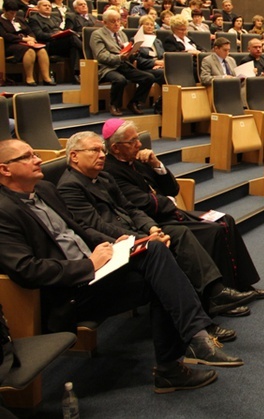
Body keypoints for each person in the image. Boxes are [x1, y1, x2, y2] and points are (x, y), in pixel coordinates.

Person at [0, 139, 242, 393]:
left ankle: (190, 345)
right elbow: (27, 269)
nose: (38, 159)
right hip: (69, 293)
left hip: (97, 269)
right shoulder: (4, 211)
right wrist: (88, 265)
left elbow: (79, 229)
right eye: (27, 157)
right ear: (5, 169)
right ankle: (189, 347)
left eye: (35, 153)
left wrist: (119, 243)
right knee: (161, 275)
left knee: (156, 252)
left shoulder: (45, 190)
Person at [58, 131, 259, 319]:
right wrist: (142, 238)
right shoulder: (70, 186)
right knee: (169, 248)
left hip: (139, 230)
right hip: (114, 245)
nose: (102, 155)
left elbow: (131, 208)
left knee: (180, 234)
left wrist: (152, 228)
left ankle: (215, 293)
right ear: (74, 156)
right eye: (95, 150)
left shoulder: (103, 177)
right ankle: (203, 315)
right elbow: (97, 226)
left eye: (102, 150)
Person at [102, 119, 264, 297]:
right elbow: (144, 203)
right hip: (157, 221)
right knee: (214, 230)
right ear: (115, 148)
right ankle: (222, 293)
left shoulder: (139, 159)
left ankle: (242, 284)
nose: (139, 144)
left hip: (171, 213)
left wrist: (156, 164)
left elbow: (173, 189)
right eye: (132, 141)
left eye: (137, 139)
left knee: (225, 219)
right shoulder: (111, 171)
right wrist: (170, 201)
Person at [89, 9, 155, 116]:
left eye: (118, 21)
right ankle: (114, 105)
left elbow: (126, 51)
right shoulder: (97, 34)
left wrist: (133, 52)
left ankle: (134, 102)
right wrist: (120, 57)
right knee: (120, 80)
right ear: (105, 23)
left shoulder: (122, 34)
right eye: (113, 21)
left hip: (124, 65)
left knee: (149, 77)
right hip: (108, 67)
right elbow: (101, 56)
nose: (117, 24)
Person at [0, 0, 55, 86]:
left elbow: (30, 31)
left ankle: (46, 78)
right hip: (10, 45)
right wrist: (23, 39)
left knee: (42, 50)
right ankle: (29, 78)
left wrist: (32, 39)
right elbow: (5, 36)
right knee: (30, 51)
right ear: (4, 10)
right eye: (11, 13)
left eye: (15, 13)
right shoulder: (1, 21)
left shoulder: (19, 19)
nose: (13, 15)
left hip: (26, 42)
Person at [27, 0, 82, 83]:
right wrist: (54, 35)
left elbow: (60, 29)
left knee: (74, 48)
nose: (48, 7)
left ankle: (75, 75)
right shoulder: (34, 19)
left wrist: (61, 33)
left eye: (49, 6)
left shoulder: (55, 18)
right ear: (38, 8)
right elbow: (38, 34)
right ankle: (85, 52)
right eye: (45, 5)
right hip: (47, 44)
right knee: (72, 38)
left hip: (59, 43)